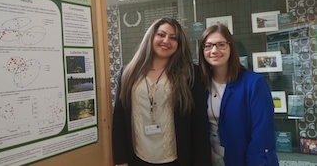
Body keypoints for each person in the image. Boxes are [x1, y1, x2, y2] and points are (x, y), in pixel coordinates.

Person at [112, 17, 211, 166]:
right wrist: (121, 161)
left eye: (173, 38)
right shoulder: (127, 72)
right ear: (151, 36)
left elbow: (200, 125)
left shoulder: (190, 73)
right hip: (137, 159)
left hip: (178, 160)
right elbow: (119, 119)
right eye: (161, 35)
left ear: (179, 44)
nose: (166, 41)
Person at [198, 23, 279, 166]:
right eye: (208, 45)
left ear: (231, 48)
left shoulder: (254, 84)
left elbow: (262, 136)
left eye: (221, 44)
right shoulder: (200, 84)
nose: (214, 50)